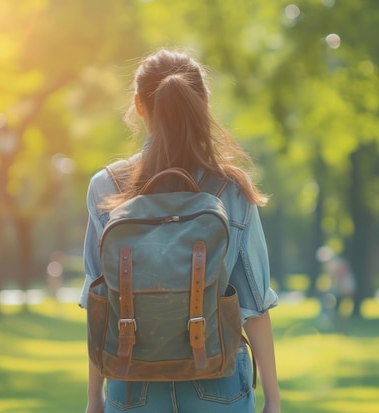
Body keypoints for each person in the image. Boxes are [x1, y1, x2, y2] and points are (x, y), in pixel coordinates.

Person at [79, 48, 280, 413]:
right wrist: (273, 398)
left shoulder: (106, 188)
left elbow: (99, 304)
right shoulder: (229, 187)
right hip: (217, 378)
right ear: (202, 103)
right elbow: (254, 302)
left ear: (139, 106)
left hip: (131, 383)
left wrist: (94, 399)